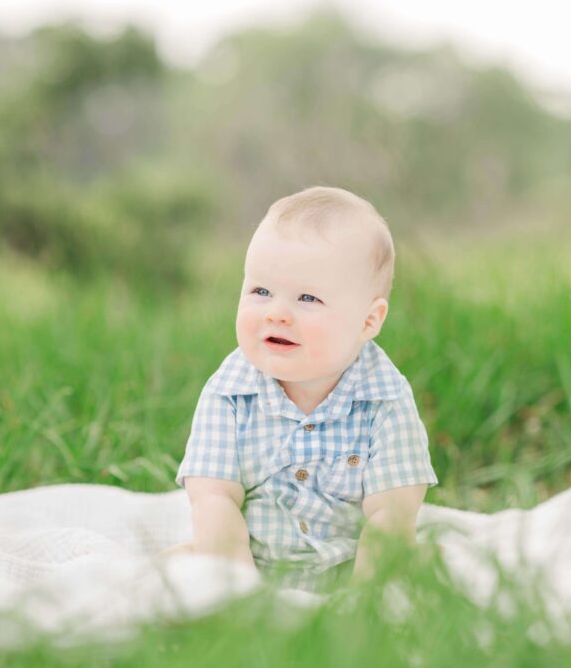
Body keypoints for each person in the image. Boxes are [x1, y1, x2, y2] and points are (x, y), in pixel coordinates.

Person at [161, 185, 438, 592]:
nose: (276, 313)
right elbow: (213, 500)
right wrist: (241, 591)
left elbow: (391, 515)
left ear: (368, 321)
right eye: (260, 291)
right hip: (248, 560)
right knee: (172, 573)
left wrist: (365, 601)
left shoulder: (386, 398)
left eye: (307, 298)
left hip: (351, 567)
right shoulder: (229, 393)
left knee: (422, 572)